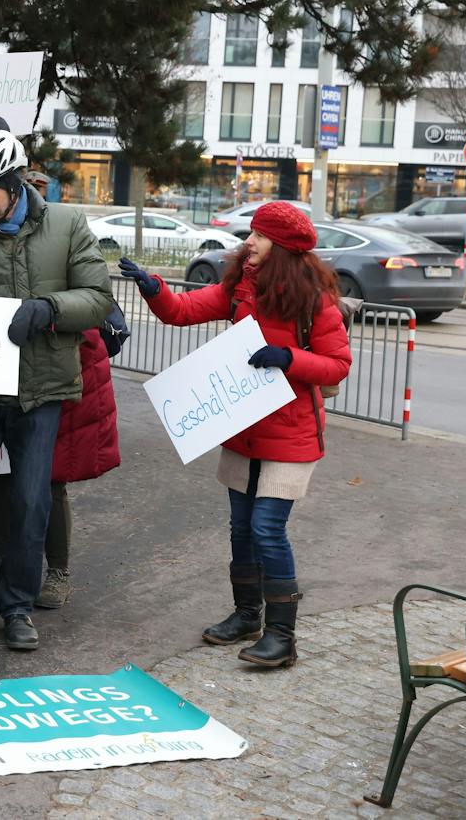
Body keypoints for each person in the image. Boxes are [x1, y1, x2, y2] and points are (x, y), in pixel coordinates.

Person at [118, 200, 351, 668]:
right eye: (251, 233)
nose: (250, 242)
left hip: (291, 435)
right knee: (241, 529)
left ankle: (282, 636)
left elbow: (338, 366)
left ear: (282, 248)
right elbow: (181, 311)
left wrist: (288, 358)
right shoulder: (240, 288)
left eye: (260, 236)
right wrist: (152, 286)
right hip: (243, 429)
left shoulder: (315, 302)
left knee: (267, 528)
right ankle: (247, 615)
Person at [0, 127, 112, 651]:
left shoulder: (67, 223)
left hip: (41, 390)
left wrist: (50, 309)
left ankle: (18, 607)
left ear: (14, 183)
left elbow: (97, 296)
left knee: (32, 503)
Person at [0, 305, 129, 610]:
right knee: (1, 476)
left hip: (63, 369)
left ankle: (57, 571)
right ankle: (1, 564)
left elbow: (87, 304)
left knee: (50, 479)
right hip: (10, 364)